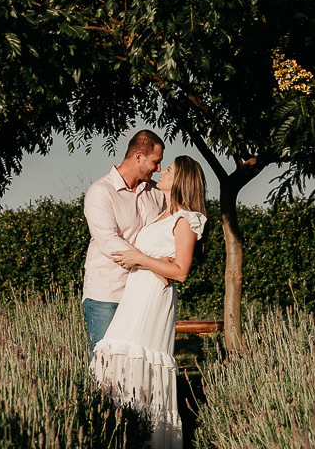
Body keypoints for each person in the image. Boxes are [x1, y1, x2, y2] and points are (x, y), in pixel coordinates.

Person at [91, 155, 208, 449]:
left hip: (153, 299)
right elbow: (155, 259)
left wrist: (144, 260)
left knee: (136, 360)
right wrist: (151, 262)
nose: (162, 171)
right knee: (115, 363)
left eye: (168, 170)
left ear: (180, 179)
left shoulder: (186, 219)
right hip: (137, 292)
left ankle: (145, 438)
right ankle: (120, 434)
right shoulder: (162, 215)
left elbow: (181, 271)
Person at [82, 129, 167, 356]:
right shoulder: (101, 192)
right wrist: (155, 266)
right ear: (138, 156)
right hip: (106, 295)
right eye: (155, 162)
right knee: (105, 365)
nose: (158, 169)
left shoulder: (156, 193)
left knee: (135, 365)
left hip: (143, 293)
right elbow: (110, 243)